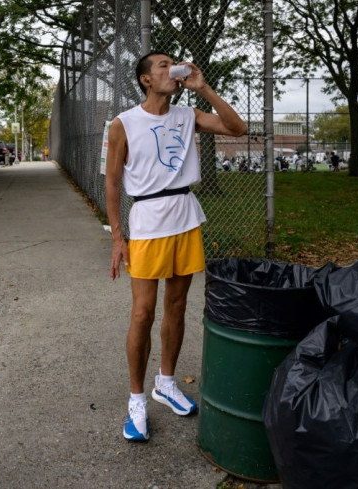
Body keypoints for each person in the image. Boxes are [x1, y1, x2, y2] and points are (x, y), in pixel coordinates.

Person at [105, 52, 247, 442]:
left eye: (173, 64)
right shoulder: (124, 124)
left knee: (178, 304)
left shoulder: (187, 115)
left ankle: (165, 382)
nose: (172, 70)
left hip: (185, 215)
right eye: (163, 66)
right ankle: (136, 400)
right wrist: (118, 237)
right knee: (142, 313)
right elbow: (113, 183)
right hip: (148, 220)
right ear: (146, 80)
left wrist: (204, 88)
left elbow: (237, 128)